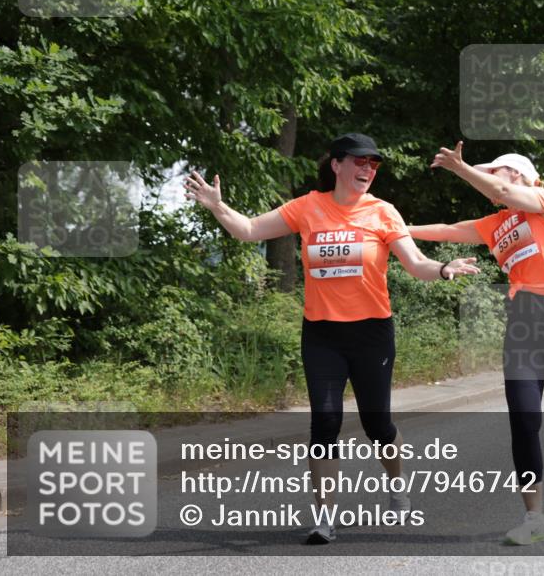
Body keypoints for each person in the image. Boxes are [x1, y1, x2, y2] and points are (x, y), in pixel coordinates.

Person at [185, 133, 479, 545]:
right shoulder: (308, 207)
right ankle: (324, 518)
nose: (367, 170)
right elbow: (250, 230)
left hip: (372, 333)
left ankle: (396, 487)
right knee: (324, 422)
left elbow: (416, 264)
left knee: (378, 425)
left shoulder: (383, 213)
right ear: (337, 165)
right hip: (322, 334)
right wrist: (217, 206)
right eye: (360, 162)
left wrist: (444, 268)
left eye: (373, 165)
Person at [409, 142, 544, 546]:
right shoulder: (495, 224)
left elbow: (504, 195)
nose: (491, 177)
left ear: (519, 174)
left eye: (496, 171)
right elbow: (445, 230)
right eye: (488, 172)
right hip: (524, 327)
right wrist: (393, 230)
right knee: (524, 422)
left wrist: (459, 168)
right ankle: (534, 519)